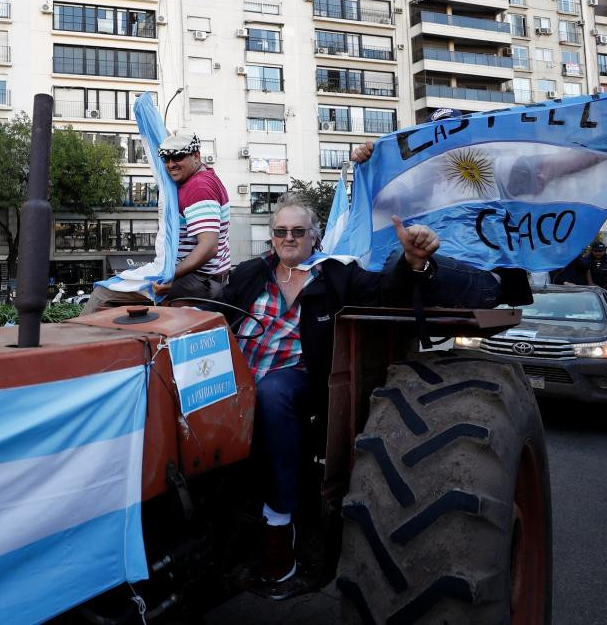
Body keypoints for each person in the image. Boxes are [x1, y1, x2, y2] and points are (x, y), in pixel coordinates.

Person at [213, 197, 505, 585]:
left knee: (272, 393)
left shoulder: (335, 274)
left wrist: (411, 262)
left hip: (297, 379)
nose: (288, 238)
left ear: (314, 237)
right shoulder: (250, 274)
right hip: (239, 374)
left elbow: (388, 294)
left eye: (298, 231)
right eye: (280, 231)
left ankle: (280, 524)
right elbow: (215, 312)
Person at [82, 130, 231, 313]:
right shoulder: (204, 176)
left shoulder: (198, 187)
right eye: (166, 158)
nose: (171, 164)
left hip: (199, 281)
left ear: (196, 155)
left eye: (178, 157)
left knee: (103, 293)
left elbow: (208, 246)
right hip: (204, 278)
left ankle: (72, 341)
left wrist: (169, 276)